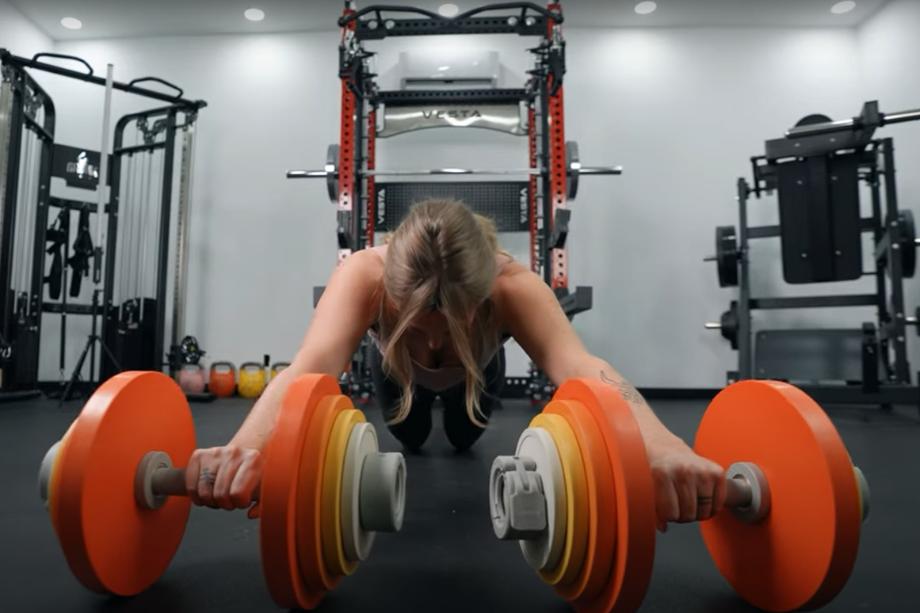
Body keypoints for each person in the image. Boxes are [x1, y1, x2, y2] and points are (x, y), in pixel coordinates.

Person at [185, 199, 727, 531]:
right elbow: (311, 365)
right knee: (412, 437)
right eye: (417, 323)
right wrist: (245, 449)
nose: (437, 337)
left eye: (453, 323)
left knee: (467, 437)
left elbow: (585, 368)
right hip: (397, 374)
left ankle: (463, 394)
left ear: (485, 292)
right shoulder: (363, 274)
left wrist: (666, 449)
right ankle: (415, 395)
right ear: (390, 293)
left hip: (477, 376)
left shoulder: (513, 285)